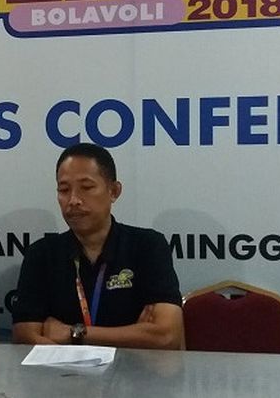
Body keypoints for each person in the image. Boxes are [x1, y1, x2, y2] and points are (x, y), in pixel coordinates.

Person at [12, 143, 183, 349]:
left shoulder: (147, 246)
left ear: (114, 191)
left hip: (135, 368)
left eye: (86, 188)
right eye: (64, 190)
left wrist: (74, 333)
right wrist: (136, 334)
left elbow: (167, 335)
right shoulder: (42, 254)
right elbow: (25, 336)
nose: (73, 200)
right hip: (61, 369)